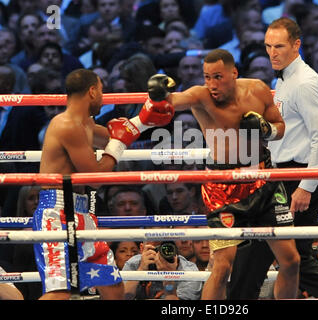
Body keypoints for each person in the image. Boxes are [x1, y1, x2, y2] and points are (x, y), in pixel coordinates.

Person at [151, 48, 300, 300]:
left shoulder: (258, 89)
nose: (211, 84)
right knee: (221, 267)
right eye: (207, 77)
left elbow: (280, 128)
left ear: (234, 73)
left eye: (217, 77)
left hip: (263, 179)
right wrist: (158, 93)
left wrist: (266, 129)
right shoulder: (200, 96)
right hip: (223, 187)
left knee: (291, 260)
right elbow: (171, 102)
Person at [227, 17, 318, 299]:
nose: (272, 52)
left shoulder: (304, 82)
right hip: (284, 174)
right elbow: (291, 132)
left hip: (298, 177)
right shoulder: (284, 79)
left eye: (279, 46)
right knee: (289, 256)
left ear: (296, 45)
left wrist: (307, 185)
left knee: (264, 249)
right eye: (268, 46)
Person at [32, 68, 174, 300]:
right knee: (59, 294)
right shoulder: (67, 125)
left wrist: (145, 118)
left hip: (82, 213)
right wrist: (118, 144)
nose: (103, 96)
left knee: (113, 289)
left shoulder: (85, 125)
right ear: (91, 91)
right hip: (57, 215)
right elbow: (95, 178)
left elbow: (117, 134)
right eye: (101, 90)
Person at [123, 240, 202, 300]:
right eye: (156, 247)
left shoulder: (189, 271)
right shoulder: (134, 264)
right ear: (142, 248)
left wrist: (169, 277)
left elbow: (177, 310)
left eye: (165, 246)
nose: (161, 252)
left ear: (174, 248)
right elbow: (122, 297)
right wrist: (140, 270)